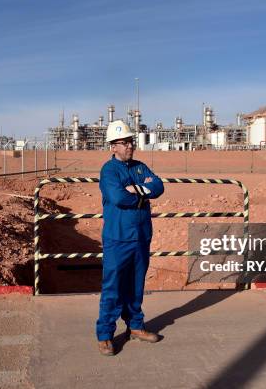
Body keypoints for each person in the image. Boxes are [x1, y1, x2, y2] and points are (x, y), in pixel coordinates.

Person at [96, 119, 164, 356]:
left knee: (136, 285)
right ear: (112, 146)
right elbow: (117, 198)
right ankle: (105, 334)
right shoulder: (109, 170)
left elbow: (158, 186)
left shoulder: (139, 166)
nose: (129, 146)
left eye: (130, 141)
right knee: (113, 286)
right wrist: (141, 193)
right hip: (118, 237)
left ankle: (135, 326)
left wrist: (136, 190)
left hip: (141, 235)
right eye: (123, 143)